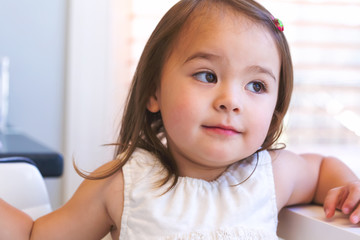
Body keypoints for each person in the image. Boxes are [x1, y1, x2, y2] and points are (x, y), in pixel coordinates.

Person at [1, 0, 360, 239]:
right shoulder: (122, 183)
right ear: (154, 93)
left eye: (256, 85)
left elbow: (323, 168)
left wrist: (347, 187)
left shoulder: (271, 174)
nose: (230, 101)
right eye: (207, 76)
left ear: (275, 110)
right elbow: (37, 236)